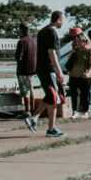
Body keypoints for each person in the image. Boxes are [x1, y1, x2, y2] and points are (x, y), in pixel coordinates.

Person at [37, 10, 67, 138]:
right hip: (49, 69)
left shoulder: (42, 31)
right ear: (58, 19)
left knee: (51, 97)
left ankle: (37, 119)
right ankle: (50, 128)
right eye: (63, 20)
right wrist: (59, 71)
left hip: (42, 68)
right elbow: (52, 53)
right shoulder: (52, 33)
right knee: (54, 98)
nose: (63, 23)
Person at [66, 30, 91, 120]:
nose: (77, 42)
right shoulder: (76, 51)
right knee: (74, 94)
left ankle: (86, 112)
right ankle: (75, 112)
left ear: (85, 41)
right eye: (76, 41)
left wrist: (88, 72)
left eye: (79, 41)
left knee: (85, 94)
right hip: (74, 75)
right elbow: (69, 60)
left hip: (86, 77)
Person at [13, 23, 40, 132]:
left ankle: (27, 111)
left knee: (25, 92)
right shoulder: (34, 41)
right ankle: (33, 111)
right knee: (32, 90)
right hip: (33, 71)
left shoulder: (21, 41)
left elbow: (18, 57)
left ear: (22, 30)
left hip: (23, 70)